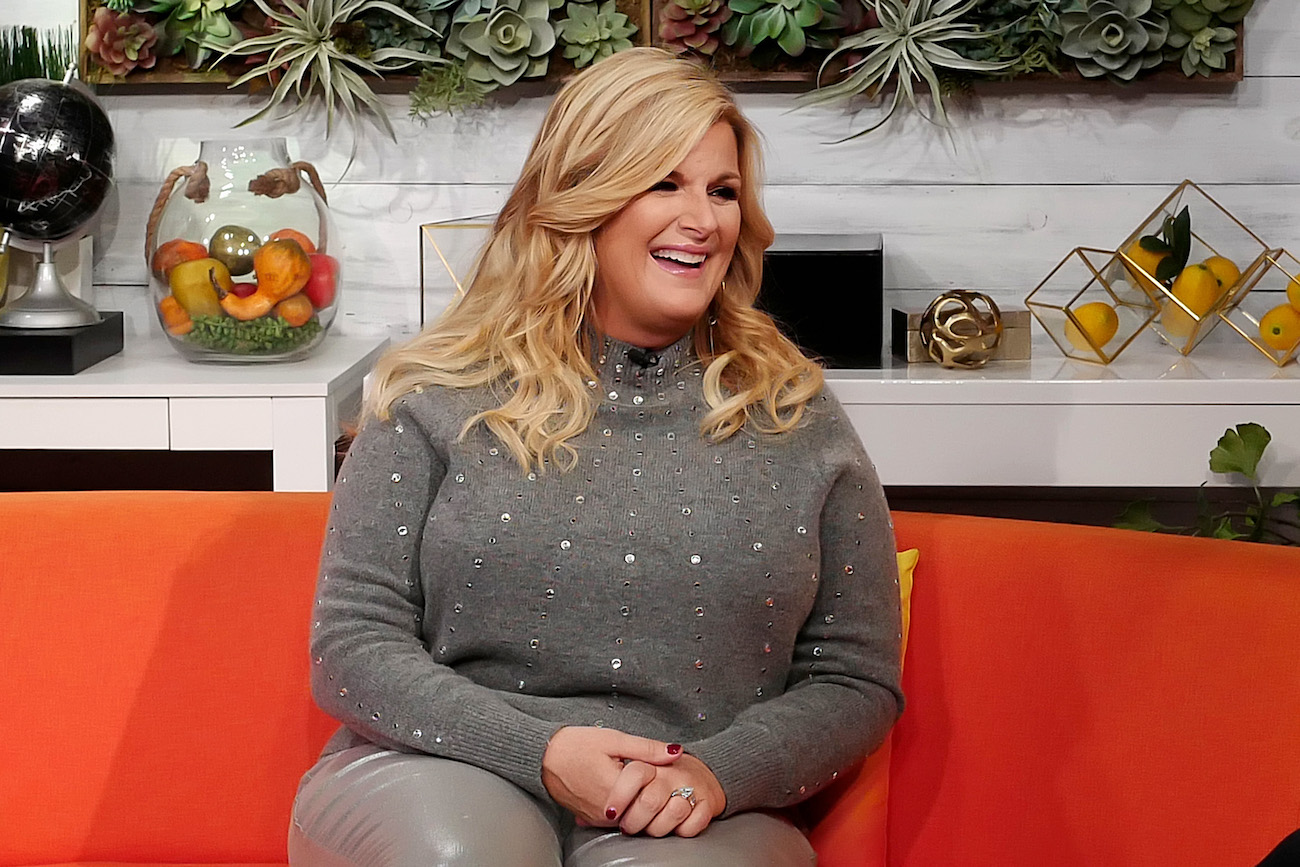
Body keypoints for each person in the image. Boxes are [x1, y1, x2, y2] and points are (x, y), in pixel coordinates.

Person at [289, 47, 903, 866]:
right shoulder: (433, 393)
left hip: (693, 801)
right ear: (587, 197)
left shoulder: (797, 413)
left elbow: (855, 676)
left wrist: (720, 773)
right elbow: (353, 646)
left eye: (722, 191)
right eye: (664, 183)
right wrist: (536, 750)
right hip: (442, 769)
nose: (703, 220)